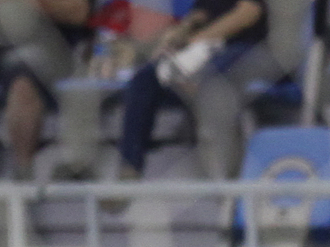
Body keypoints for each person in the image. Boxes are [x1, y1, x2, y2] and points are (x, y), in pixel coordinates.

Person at [113, 0, 282, 183]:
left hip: (247, 48)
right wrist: (180, 33)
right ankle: (129, 169)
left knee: (209, 78)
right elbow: (201, 13)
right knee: (146, 77)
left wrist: (195, 40)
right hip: (205, 51)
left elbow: (249, 13)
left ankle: (225, 176)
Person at [0, 0, 96, 180]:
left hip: (61, 47)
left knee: (23, 84)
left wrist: (35, 5)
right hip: (5, 46)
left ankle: (25, 173)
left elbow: (79, 12)